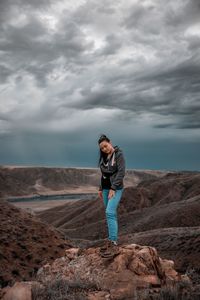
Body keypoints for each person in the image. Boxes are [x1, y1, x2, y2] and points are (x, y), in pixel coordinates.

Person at [97, 134, 126, 256]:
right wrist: (100, 188)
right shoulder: (104, 157)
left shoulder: (119, 154)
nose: (104, 149)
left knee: (110, 212)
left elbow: (121, 172)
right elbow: (104, 174)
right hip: (105, 189)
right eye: (102, 148)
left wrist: (113, 188)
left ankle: (113, 242)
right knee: (109, 214)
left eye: (105, 146)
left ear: (110, 142)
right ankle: (110, 240)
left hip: (115, 188)